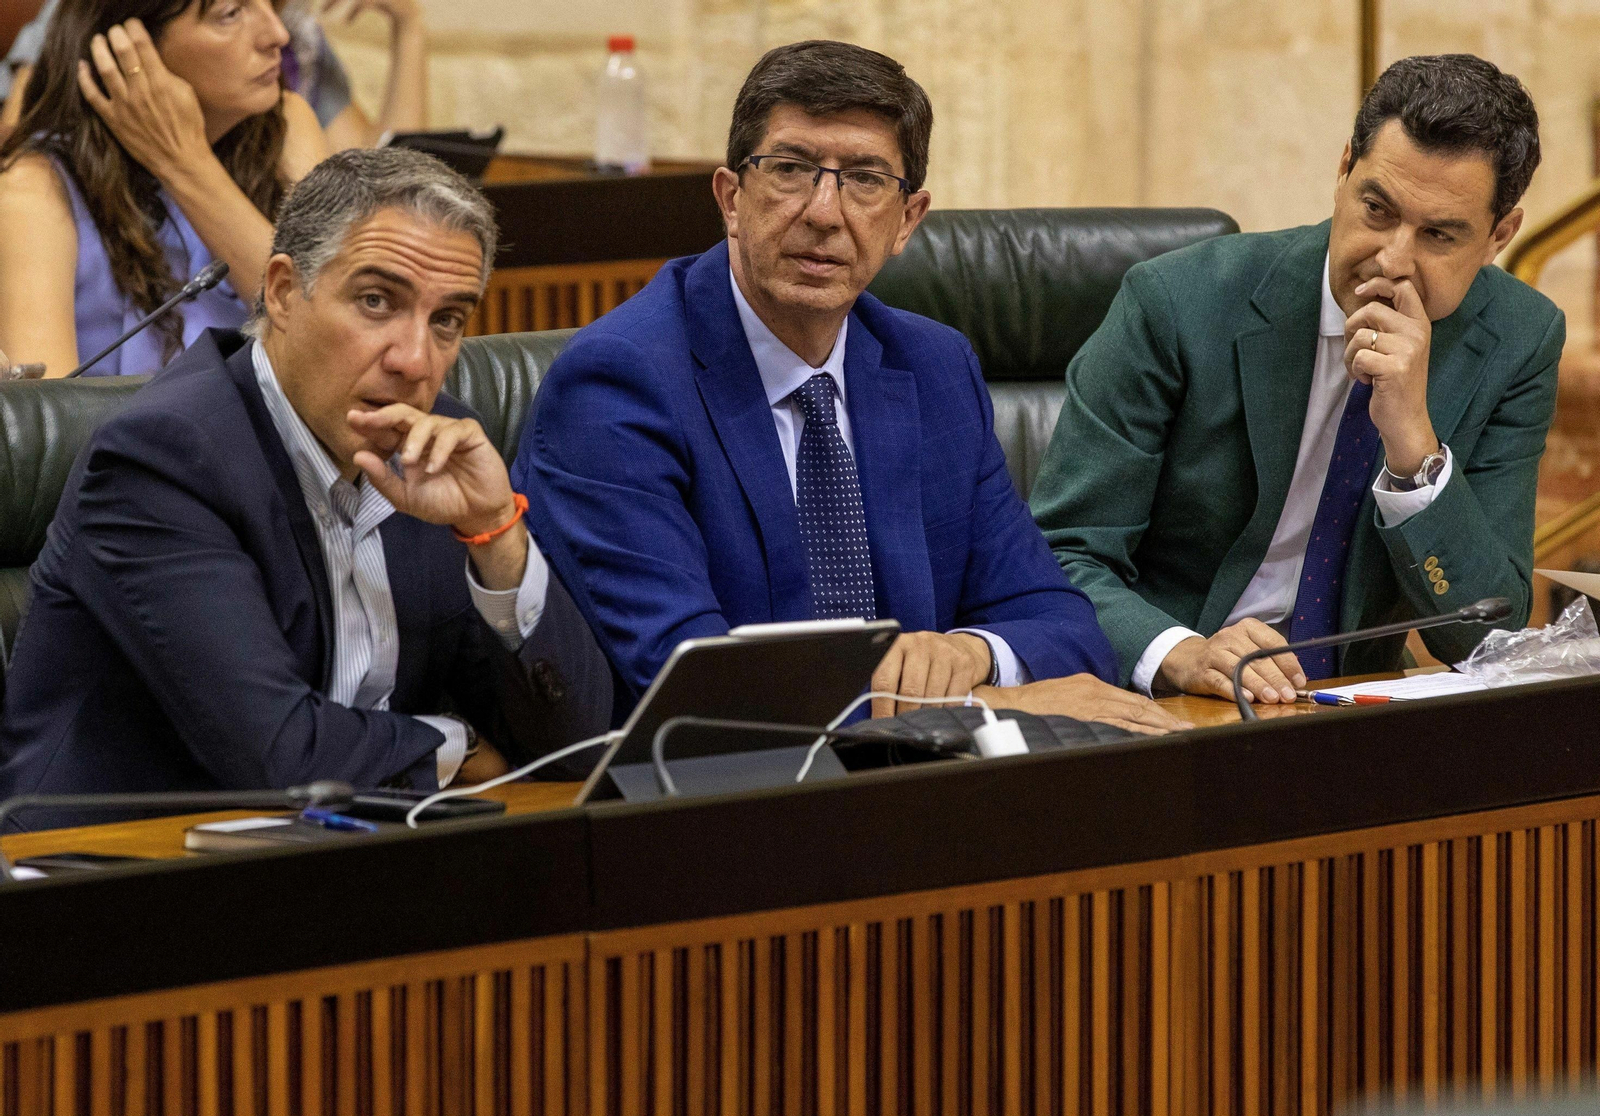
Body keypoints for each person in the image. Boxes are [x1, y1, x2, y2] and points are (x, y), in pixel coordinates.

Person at [511, 40, 1185, 735]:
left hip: (927, 787)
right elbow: (695, 686)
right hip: (716, 791)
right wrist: (974, 709)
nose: (824, 212)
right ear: (731, 199)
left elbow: (1064, 626)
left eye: (865, 179)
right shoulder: (617, 383)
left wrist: (971, 652)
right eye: (791, 169)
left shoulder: (933, 367)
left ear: (907, 221)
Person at [0, 148, 612, 831]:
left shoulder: (437, 448)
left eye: (446, 320)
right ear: (284, 293)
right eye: (376, 301)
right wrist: (456, 743)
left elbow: (581, 740)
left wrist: (496, 533)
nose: (415, 361)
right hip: (118, 864)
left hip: (353, 850)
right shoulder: (167, 457)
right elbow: (276, 755)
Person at [1029, 54, 1563, 705]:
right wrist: (1181, 654)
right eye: (1377, 209)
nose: (1392, 259)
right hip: (1166, 701)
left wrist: (1414, 450)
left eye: (1438, 235)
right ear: (1343, 171)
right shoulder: (1175, 303)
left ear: (1499, 235)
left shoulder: (1518, 338)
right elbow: (1061, 555)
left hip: (1346, 705)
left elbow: (1486, 635)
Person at [0, 0, 329, 378]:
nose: (277, 35)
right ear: (127, 45)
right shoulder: (35, 190)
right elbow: (46, 412)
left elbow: (327, 338)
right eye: (230, 13)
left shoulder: (286, 128)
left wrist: (186, 164)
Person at [279, 0, 427, 151]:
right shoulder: (281, 36)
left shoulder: (302, 41)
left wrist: (407, 22)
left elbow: (384, 156)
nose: (279, 35)